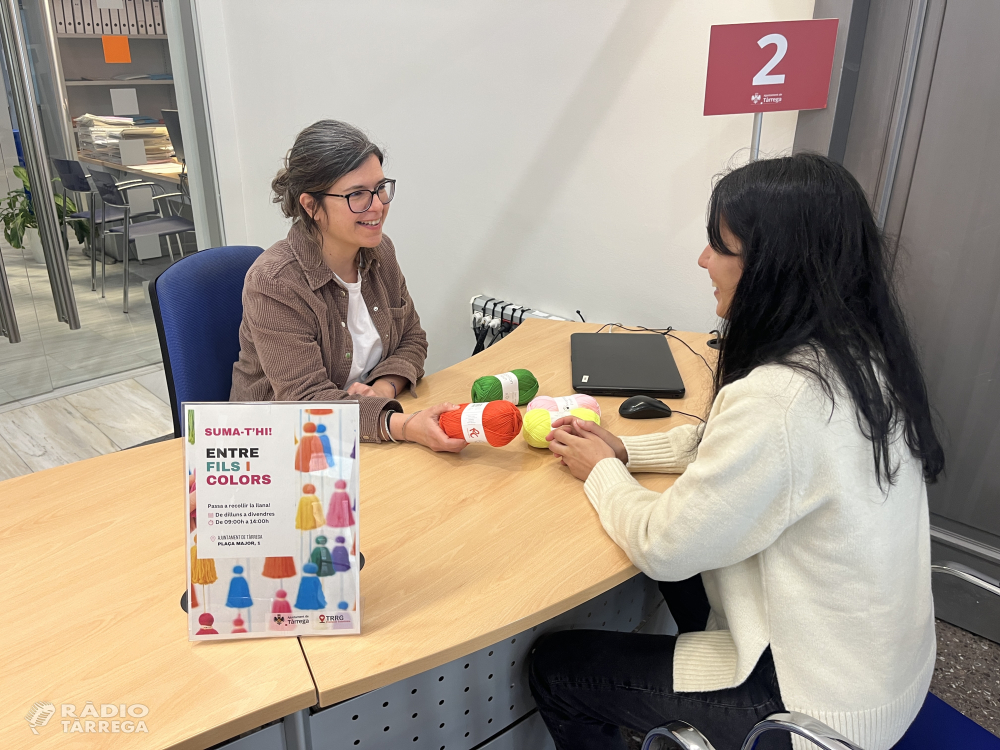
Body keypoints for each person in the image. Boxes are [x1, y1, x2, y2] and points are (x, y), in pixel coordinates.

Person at [530, 154, 944, 750]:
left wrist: (603, 473)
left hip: (814, 714)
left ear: (776, 267)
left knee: (557, 667)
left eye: (720, 246)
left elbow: (663, 547)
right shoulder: (860, 357)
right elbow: (735, 445)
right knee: (685, 561)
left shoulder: (781, 397)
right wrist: (626, 449)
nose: (703, 260)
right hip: (881, 675)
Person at [230, 120, 465, 452]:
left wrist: (382, 390)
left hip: (362, 431)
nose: (378, 205)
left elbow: (412, 339)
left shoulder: (380, 252)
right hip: (281, 443)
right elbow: (305, 400)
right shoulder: (274, 283)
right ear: (311, 206)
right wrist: (403, 425)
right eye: (357, 195)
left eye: (380, 188)